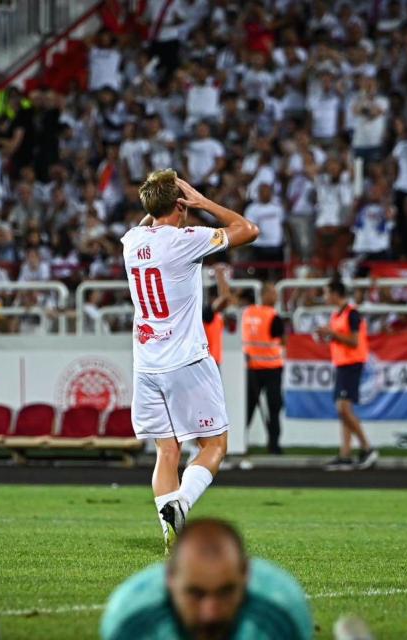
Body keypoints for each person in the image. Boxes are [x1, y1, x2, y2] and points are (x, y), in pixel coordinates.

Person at [121, 169, 259, 550]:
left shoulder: (131, 241)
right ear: (181, 205)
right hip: (186, 362)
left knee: (167, 451)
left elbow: (151, 220)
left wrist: (161, 198)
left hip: (146, 365)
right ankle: (181, 503)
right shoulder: (186, 240)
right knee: (214, 446)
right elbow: (248, 229)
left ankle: (172, 535)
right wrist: (203, 202)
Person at [100, 518, 313, 640]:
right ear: (169, 578)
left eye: (226, 592)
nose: (210, 614)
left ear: (246, 574)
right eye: (195, 594)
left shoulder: (282, 613)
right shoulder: (131, 620)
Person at [316, 279, 378, 471]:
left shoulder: (352, 314)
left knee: (343, 409)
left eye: (327, 293)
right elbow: (340, 339)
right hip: (343, 365)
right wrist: (327, 335)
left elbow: (353, 341)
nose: (325, 297)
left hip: (352, 364)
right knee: (343, 410)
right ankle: (345, 454)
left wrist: (332, 333)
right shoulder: (337, 314)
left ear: (335, 293)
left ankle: (367, 448)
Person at [241, 283, 284, 454]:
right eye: (273, 293)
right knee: (274, 408)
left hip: (251, 367)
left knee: (247, 409)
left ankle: (237, 442)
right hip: (272, 367)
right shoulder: (273, 315)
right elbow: (281, 338)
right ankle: (274, 446)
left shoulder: (247, 312)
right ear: (264, 295)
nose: (276, 296)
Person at [202, 265, 231, 367]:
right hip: (208, 362)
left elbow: (226, 299)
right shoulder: (207, 312)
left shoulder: (217, 315)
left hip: (214, 361)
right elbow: (225, 297)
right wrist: (220, 276)